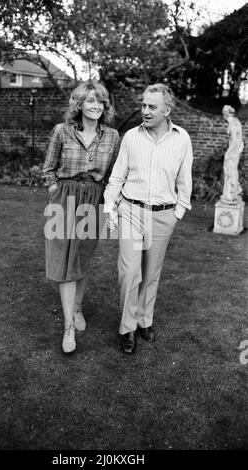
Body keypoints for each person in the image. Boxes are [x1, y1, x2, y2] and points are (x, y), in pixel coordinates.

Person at [104, 83, 193, 353]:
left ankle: (145, 320)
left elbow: (185, 180)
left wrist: (177, 212)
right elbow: (118, 174)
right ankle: (128, 328)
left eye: (151, 106)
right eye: (143, 105)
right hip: (130, 210)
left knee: (151, 273)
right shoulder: (131, 136)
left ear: (167, 110)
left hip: (163, 215)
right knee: (129, 272)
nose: (145, 110)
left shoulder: (181, 138)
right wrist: (110, 207)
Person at [42, 80, 120, 354]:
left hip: (94, 198)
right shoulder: (61, 131)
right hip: (64, 198)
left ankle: (77, 308)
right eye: (90, 101)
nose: (96, 106)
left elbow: (113, 175)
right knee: (64, 258)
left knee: (81, 258)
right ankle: (68, 327)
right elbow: (48, 169)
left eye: (100, 101)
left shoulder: (112, 136)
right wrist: (56, 189)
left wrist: (108, 202)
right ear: (79, 104)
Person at [221, 105, 244, 204]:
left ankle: (230, 193)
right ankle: (232, 192)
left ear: (225, 114)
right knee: (231, 169)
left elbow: (234, 139)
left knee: (229, 169)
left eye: (223, 113)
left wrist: (228, 152)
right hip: (235, 148)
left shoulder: (233, 123)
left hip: (234, 150)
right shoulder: (235, 121)